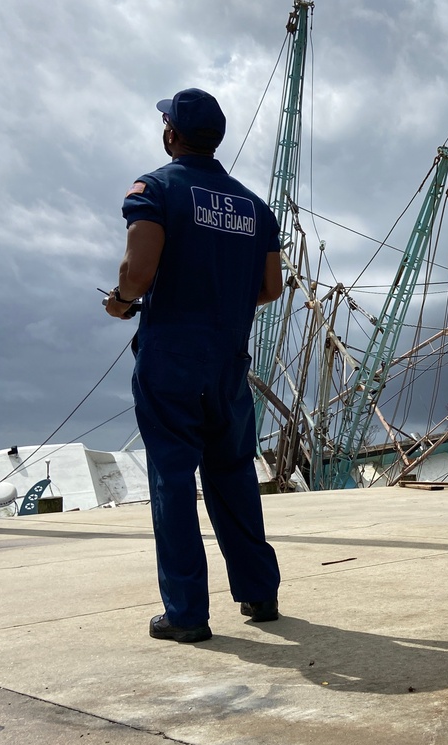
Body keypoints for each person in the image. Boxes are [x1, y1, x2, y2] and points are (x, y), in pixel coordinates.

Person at [105, 88, 283, 643]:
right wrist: (222, 305)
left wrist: (121, 301)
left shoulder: (155, 189)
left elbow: (137, 273)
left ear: (171, 134)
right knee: (233, 476)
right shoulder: (255, 207)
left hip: (171, 359)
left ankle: (186, 613)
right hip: (228, 360)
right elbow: (270, 287)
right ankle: (259, 592)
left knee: (173, 481)